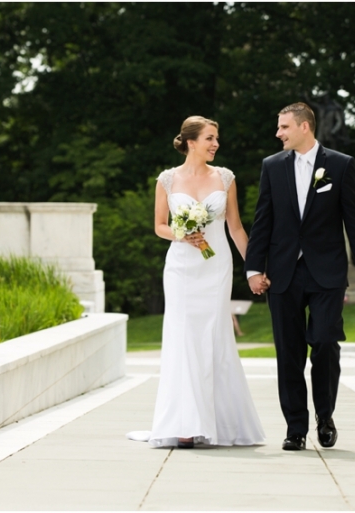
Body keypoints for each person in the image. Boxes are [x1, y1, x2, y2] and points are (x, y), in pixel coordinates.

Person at [244, 102, 355, 451]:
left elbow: (354, 223)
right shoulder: (272, 167)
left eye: (284, 127)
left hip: (326, 274)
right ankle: (295, 428)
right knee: (288, 352)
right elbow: (263, 220)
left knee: (324, 344)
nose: (278, 133)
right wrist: (254, 268)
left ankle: (325, 416)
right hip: (283, 274)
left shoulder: (340, 165)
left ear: (305, 127)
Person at [147, 116, 266, 449]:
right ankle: (184, 423)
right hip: (182, 268)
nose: (216, 144)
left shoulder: (225, 178)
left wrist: (253, 268)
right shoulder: (167, 180)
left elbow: (236, 229)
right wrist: (182, 234)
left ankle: (219, 422)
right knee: (183, 337)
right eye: (210, 138)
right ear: (191, 142)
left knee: (214, 337)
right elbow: (159, 226)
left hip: (216, 268)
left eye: (216, 139)